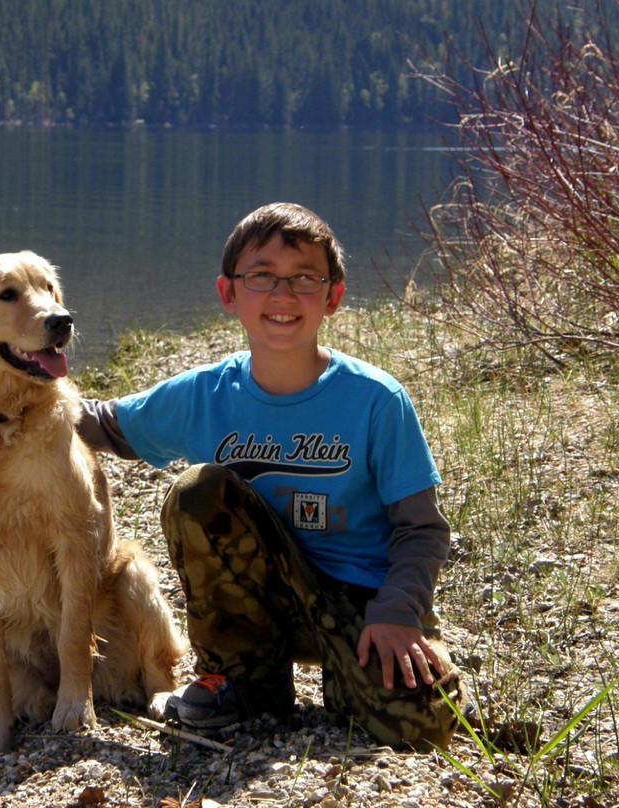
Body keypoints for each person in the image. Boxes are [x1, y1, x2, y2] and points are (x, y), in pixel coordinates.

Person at [78, 202, 464, 750]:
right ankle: (243, 679)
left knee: (422, 725)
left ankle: (356, 672)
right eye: (261, 277)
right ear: (228, 294)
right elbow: (102, 423)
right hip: (256, 607)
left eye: (305, 278)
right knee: (198, 493)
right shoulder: (203, 394)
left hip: (361, 599)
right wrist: (10, 388)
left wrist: (399, 613)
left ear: (333, 297)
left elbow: (421, 529)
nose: (283, 296)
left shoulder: (377, 399)